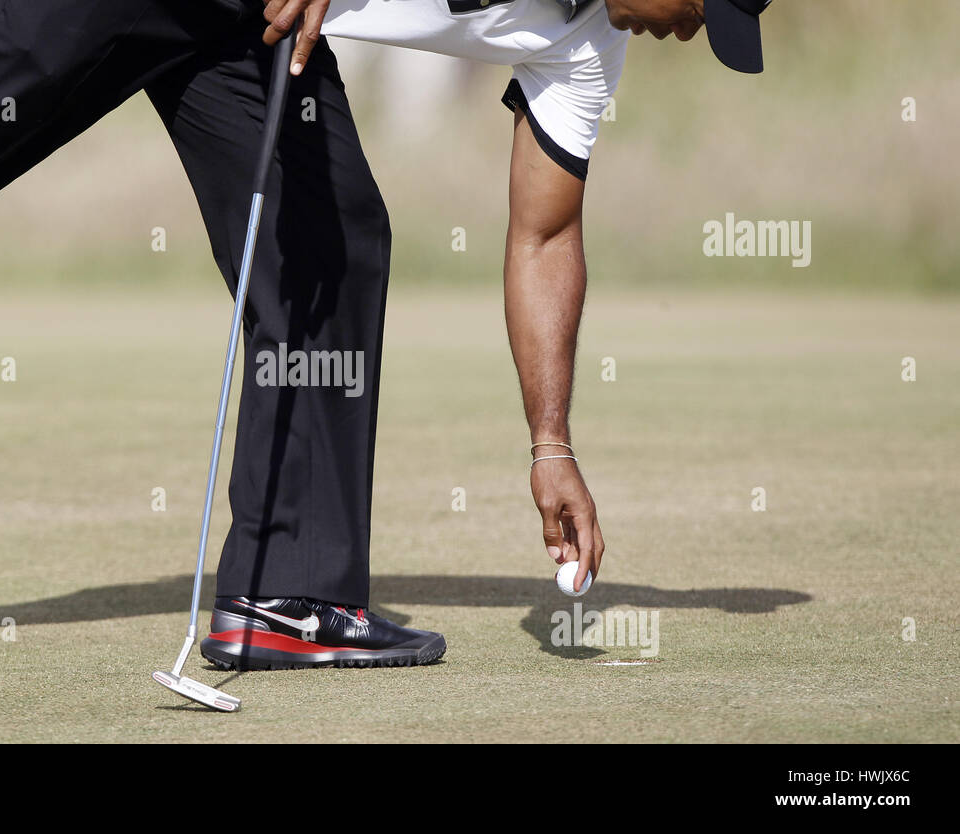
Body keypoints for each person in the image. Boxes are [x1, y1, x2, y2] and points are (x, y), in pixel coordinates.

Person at [197, 0, 773, 670]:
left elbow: (546, 235)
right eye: (699, 8)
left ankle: (282, 597)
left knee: (340, 246)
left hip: (244, 32)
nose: (686, 32)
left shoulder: (592, 45)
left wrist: (550, 448)